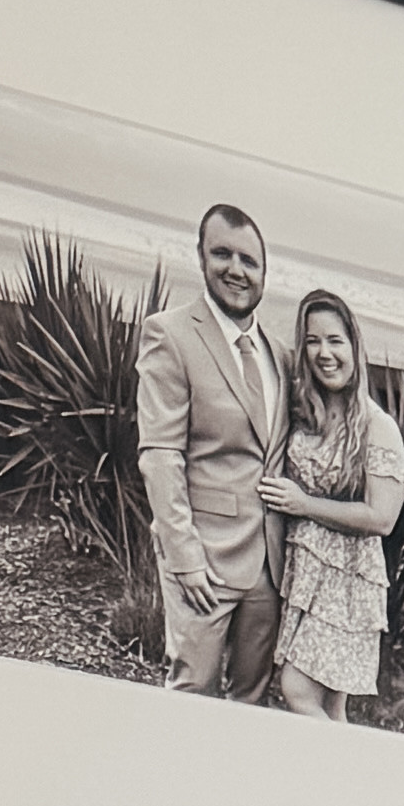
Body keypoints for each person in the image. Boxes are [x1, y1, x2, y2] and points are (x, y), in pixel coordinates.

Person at [135, 200, 288, 699]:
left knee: (252, 697)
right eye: (223, 254)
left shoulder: (280, 354)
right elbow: (160, 456)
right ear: (201, 257)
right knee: (192, 693)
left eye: (250, 261)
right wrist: (184, 558)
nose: (236, 270)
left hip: (269, 566)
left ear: (265, 273)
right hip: (203, 560)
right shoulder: (170, 334)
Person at [257, 291, 404, 724]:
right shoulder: (306, 410)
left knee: (297, 688)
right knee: (330, 707)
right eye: (312, 341)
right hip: (306, 573)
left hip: (347, 582)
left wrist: (304, 504)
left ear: (354, 347)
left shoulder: (378, 426)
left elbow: (382, 518)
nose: (324, 353)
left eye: (335, 340)